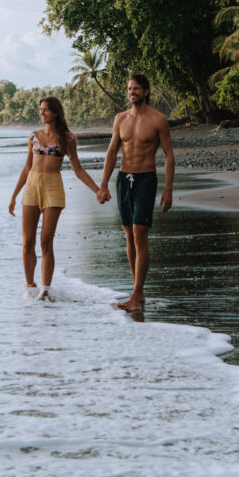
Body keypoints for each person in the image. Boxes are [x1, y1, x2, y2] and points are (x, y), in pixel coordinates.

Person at [9, 96, 101, 301]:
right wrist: (14, 195)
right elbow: (27, 168)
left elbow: (78, 170)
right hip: (31, 187)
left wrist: (98, 190)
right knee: (27, 242)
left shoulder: (67, 139)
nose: (42, 113)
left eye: (46, 110)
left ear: (56, 113)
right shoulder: (33, 136)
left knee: (45, 241)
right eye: (40, 109)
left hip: (53, 188)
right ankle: (30, 286)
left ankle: (45, 289)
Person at [97, 74, 174, 312]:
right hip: (124, 180)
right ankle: (137, 292)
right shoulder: (120, 119)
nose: (132, 92)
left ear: (146, 91)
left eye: (137, 88)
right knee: (129, 237)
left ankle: (136, 294)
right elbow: (112, 152)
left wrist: (168, 189)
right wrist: (103, 184)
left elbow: (169, 155)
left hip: (145, 179)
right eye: (130, 88)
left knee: (140, 235)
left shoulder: (158, 120)